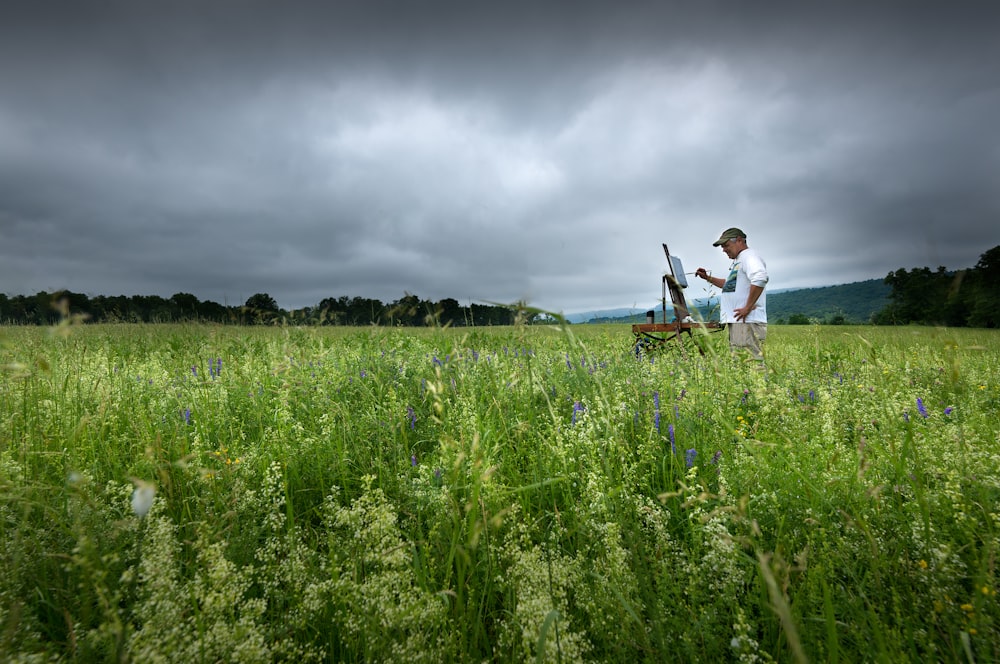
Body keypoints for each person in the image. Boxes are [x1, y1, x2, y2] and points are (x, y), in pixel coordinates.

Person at [694, 228, 769, 364]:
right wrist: (707, 278)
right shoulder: (740, 260)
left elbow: (760, 278)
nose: (723, 250)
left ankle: (758, 386)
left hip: (747, 322)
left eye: (726, 245)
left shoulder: (749, 257)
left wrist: (747, 307)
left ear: (739, 240)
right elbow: (728, 285)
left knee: (750, 365)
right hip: (741, 323)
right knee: (742, 366)